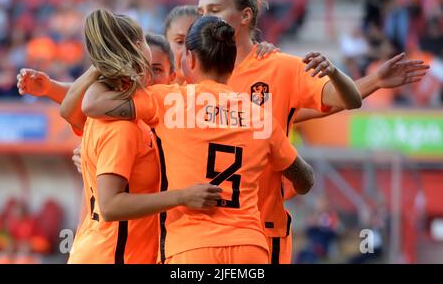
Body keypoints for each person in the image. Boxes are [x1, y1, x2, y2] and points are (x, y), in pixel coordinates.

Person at [194, 0, 429, 264]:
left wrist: (375, 80)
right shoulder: (190, 72)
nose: (204, 19)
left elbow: (334, 100)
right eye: (201, 12)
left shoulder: (279, 67)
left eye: (214, 10)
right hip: (200, 234)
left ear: (245, 15)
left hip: (261, 231)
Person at [80, 14, 314, 264]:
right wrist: (284, 189)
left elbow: (92, 103)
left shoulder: (169, 101)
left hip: (191, 249)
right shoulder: (260, 116)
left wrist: (109, 60)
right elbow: (306, 179)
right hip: (250, 248)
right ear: (233, 63)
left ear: (189, 59)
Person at [19, 12, 222, 264]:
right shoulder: (121, 123)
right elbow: (111, 205)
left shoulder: (157, 113)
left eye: (158, 70)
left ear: (172, 77)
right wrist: (183, 196)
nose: (150, 75)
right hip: (111, 254)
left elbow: (73, 108)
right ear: (138, 50)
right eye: (149, 65)